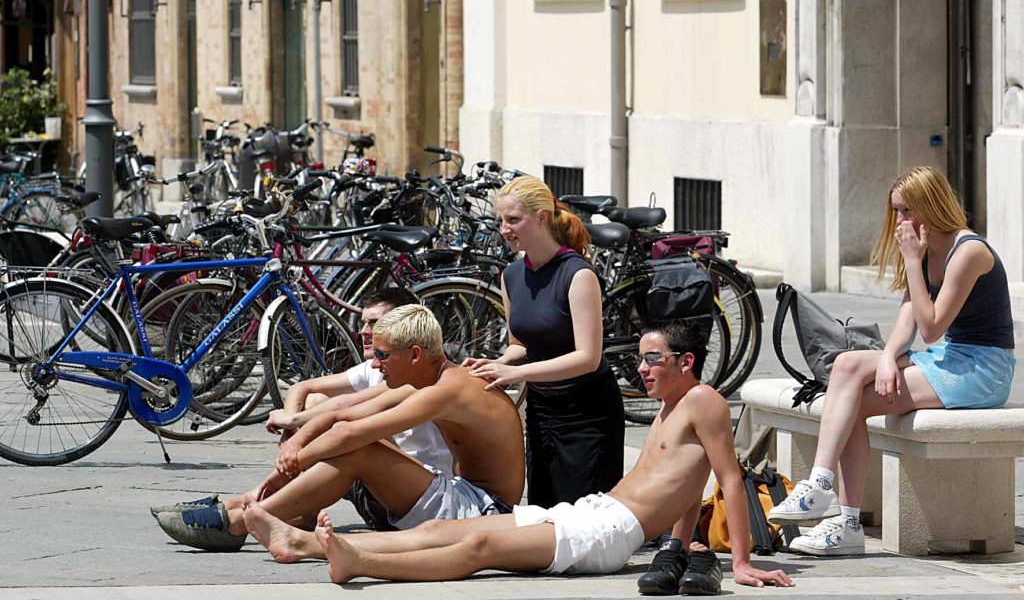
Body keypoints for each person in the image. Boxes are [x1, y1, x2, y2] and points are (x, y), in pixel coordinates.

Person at [240, 322, 793, 590]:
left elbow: (726, 478)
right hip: (594, 511)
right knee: (444, 532)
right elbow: (681, 485)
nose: (643, 369)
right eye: (641, 359)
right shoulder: (676, 405)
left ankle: (359, 562)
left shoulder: (704, 401)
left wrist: (739, 563)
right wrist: (680, 540)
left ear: (687, 360)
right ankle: (305, 543)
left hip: (608, 536)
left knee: (478, 542)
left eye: (654, 359)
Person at [768, 166, 1016, 555]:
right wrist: (887, 357)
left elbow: (932, 326)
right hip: (948, 357)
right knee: (849, 367)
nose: (900, 221)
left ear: (930, 206)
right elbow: (908, 313)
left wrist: (914, 263)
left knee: (853, 402)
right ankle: (825, 492)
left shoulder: (968, 251)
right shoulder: (920, 246)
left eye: (907, 211)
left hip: (982, 368)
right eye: (897, 210)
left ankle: (842, 517)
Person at [153, 305, 525, 556]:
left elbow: (353, 435)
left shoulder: (449, 390)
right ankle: (256, 508)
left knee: (360, 448)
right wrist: (297, 439)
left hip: (484, 510)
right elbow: (342, 415)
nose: (375, 364)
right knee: (353, 439)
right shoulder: (429, 378)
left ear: (414, 354)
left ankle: (239, 521)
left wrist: (295, 459)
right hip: (461, 495)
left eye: (382, 355)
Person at [464, 175, 624, 507]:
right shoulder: (511, 275)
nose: (505, 229)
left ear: (540, 217)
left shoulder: (578, 274)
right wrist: (499, 363)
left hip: (587, 412)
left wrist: (518, 374)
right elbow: (519, 343)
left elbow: (587, 357)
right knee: (544, 514)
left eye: (513, 220)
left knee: (585, 524)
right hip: (542, 410)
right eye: (501, 221)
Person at [266, 287, 453, 531]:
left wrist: (294, 441)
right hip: (378, 485)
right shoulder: (377, 366)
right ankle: (286, 510)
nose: (363, 332)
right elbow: (303, 388)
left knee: (355, 432)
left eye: (374, 323)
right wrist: (290, 437)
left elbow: (348, 408)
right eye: (363, 322)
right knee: (317, 404)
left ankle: (249, 513)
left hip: (413, 496)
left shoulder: (423, 378)